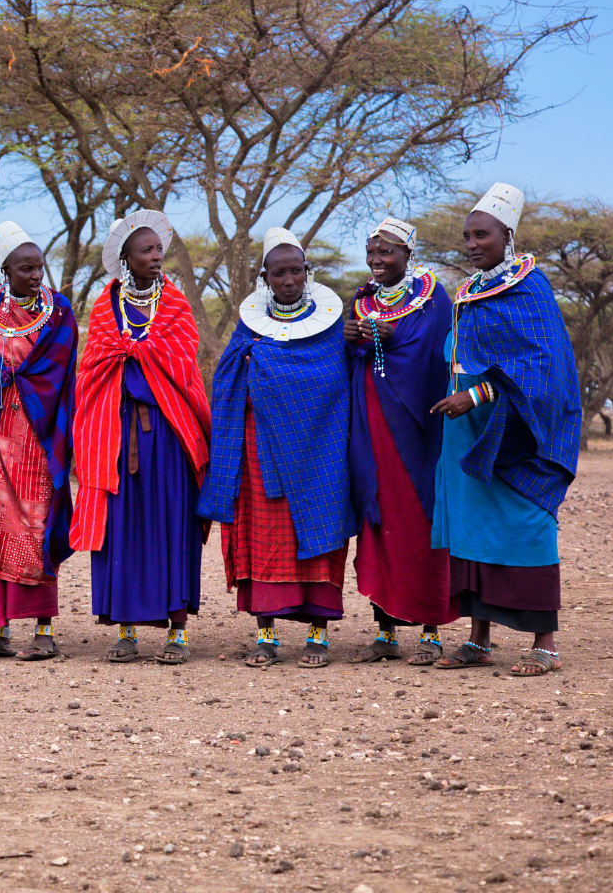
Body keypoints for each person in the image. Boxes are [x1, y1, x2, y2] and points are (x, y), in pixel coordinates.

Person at [430, 183, 581, 676]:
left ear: (507, 234)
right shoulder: (470, 291)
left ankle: (545, 645)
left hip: (515, 429)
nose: (472, 244)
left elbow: (544, 366)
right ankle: (479, 639)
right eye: (467, 236)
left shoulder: (529, 287)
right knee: (470, 528)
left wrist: (475, 395)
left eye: (482, 235)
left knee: (526, 523)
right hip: (465, 430)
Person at [199, 228, 354, 669]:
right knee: (261, 538)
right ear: (264, 278)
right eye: (279, 274)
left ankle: (318, 637)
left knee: (320, 537)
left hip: (319, 453)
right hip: (258, 452)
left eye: (296, 272)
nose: (289, 281)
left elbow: (335, 383)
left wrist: (272, 371)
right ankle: (265, 635)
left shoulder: (330, 330)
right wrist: (257, 365)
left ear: (308, 273)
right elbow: (228, 378)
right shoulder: (249, 328)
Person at [69, 210, 211, 665]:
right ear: (126, 258)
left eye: (158, 250)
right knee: (122, 530)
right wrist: (131, 359)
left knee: (173, 524)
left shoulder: (175, 304)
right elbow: (91, 368)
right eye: (146, 250)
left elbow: (184, 364)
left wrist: (138, 357)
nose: (156, 256)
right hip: (115, 433)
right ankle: (126, 629)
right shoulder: (102, 306)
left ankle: (178, 631)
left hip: (168, 434)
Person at [0, 222, 79, 660]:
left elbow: (59, 376)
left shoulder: (59, 312)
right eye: (26, 268)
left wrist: (23, 388)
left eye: (40, 267)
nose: (36, 275)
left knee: (37, 525)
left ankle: (44, 631)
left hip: (38, 437)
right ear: (5, 269)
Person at [344, 218, 457, 665]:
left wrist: (391, 341)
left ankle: (431, 632)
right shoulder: (362, 298)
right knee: (378, 521)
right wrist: (352, 337)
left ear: (408, 254)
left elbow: (438, 353)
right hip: (370, 425)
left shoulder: (432, 298)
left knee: (422, 523)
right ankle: (386, 630)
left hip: (418, 429)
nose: (377, 259)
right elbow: (352, 353)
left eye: (387, 251)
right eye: (371, 251)